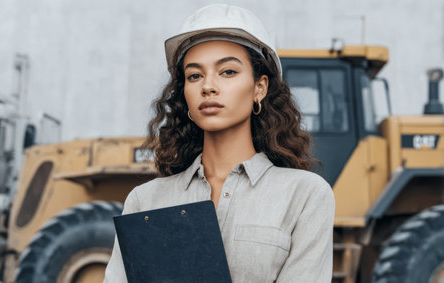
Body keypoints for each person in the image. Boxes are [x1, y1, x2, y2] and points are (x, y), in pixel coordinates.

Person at [104, 3, 335, 283]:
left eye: (227, 72)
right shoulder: (145, 201)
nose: (208, 86)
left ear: (259, 88)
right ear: (185, 94)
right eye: (194, 75)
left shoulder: (305, 196)